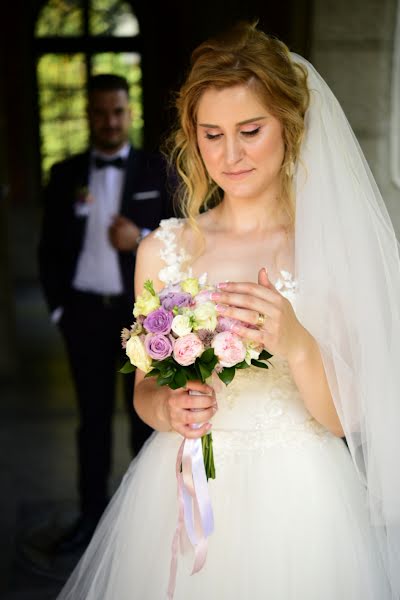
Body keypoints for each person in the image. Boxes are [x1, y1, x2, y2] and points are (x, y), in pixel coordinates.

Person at [56, 23, 400, 599]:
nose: (231, 154)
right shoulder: (161, 250)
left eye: (250, 130)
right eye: (212, 134)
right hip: (183, 493)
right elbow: (143, 390)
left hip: (300, 501)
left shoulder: (328, 247)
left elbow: (346, 421)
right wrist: (169, 408)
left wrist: (295, 341)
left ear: (289, 126)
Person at [38, 73, 174, 553]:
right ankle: (91, 520)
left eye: (117, 111)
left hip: (139, 319)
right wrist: (59, 312)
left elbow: (181, 239)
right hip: (83, 317)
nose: (109, 121)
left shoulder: (158, 173)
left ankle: (148, 521)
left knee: (147, 420)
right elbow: (49, 249)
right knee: (91, 420)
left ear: (130, 113)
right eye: (99, 112)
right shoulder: (65, 174)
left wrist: (137, 239)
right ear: (88, 115)